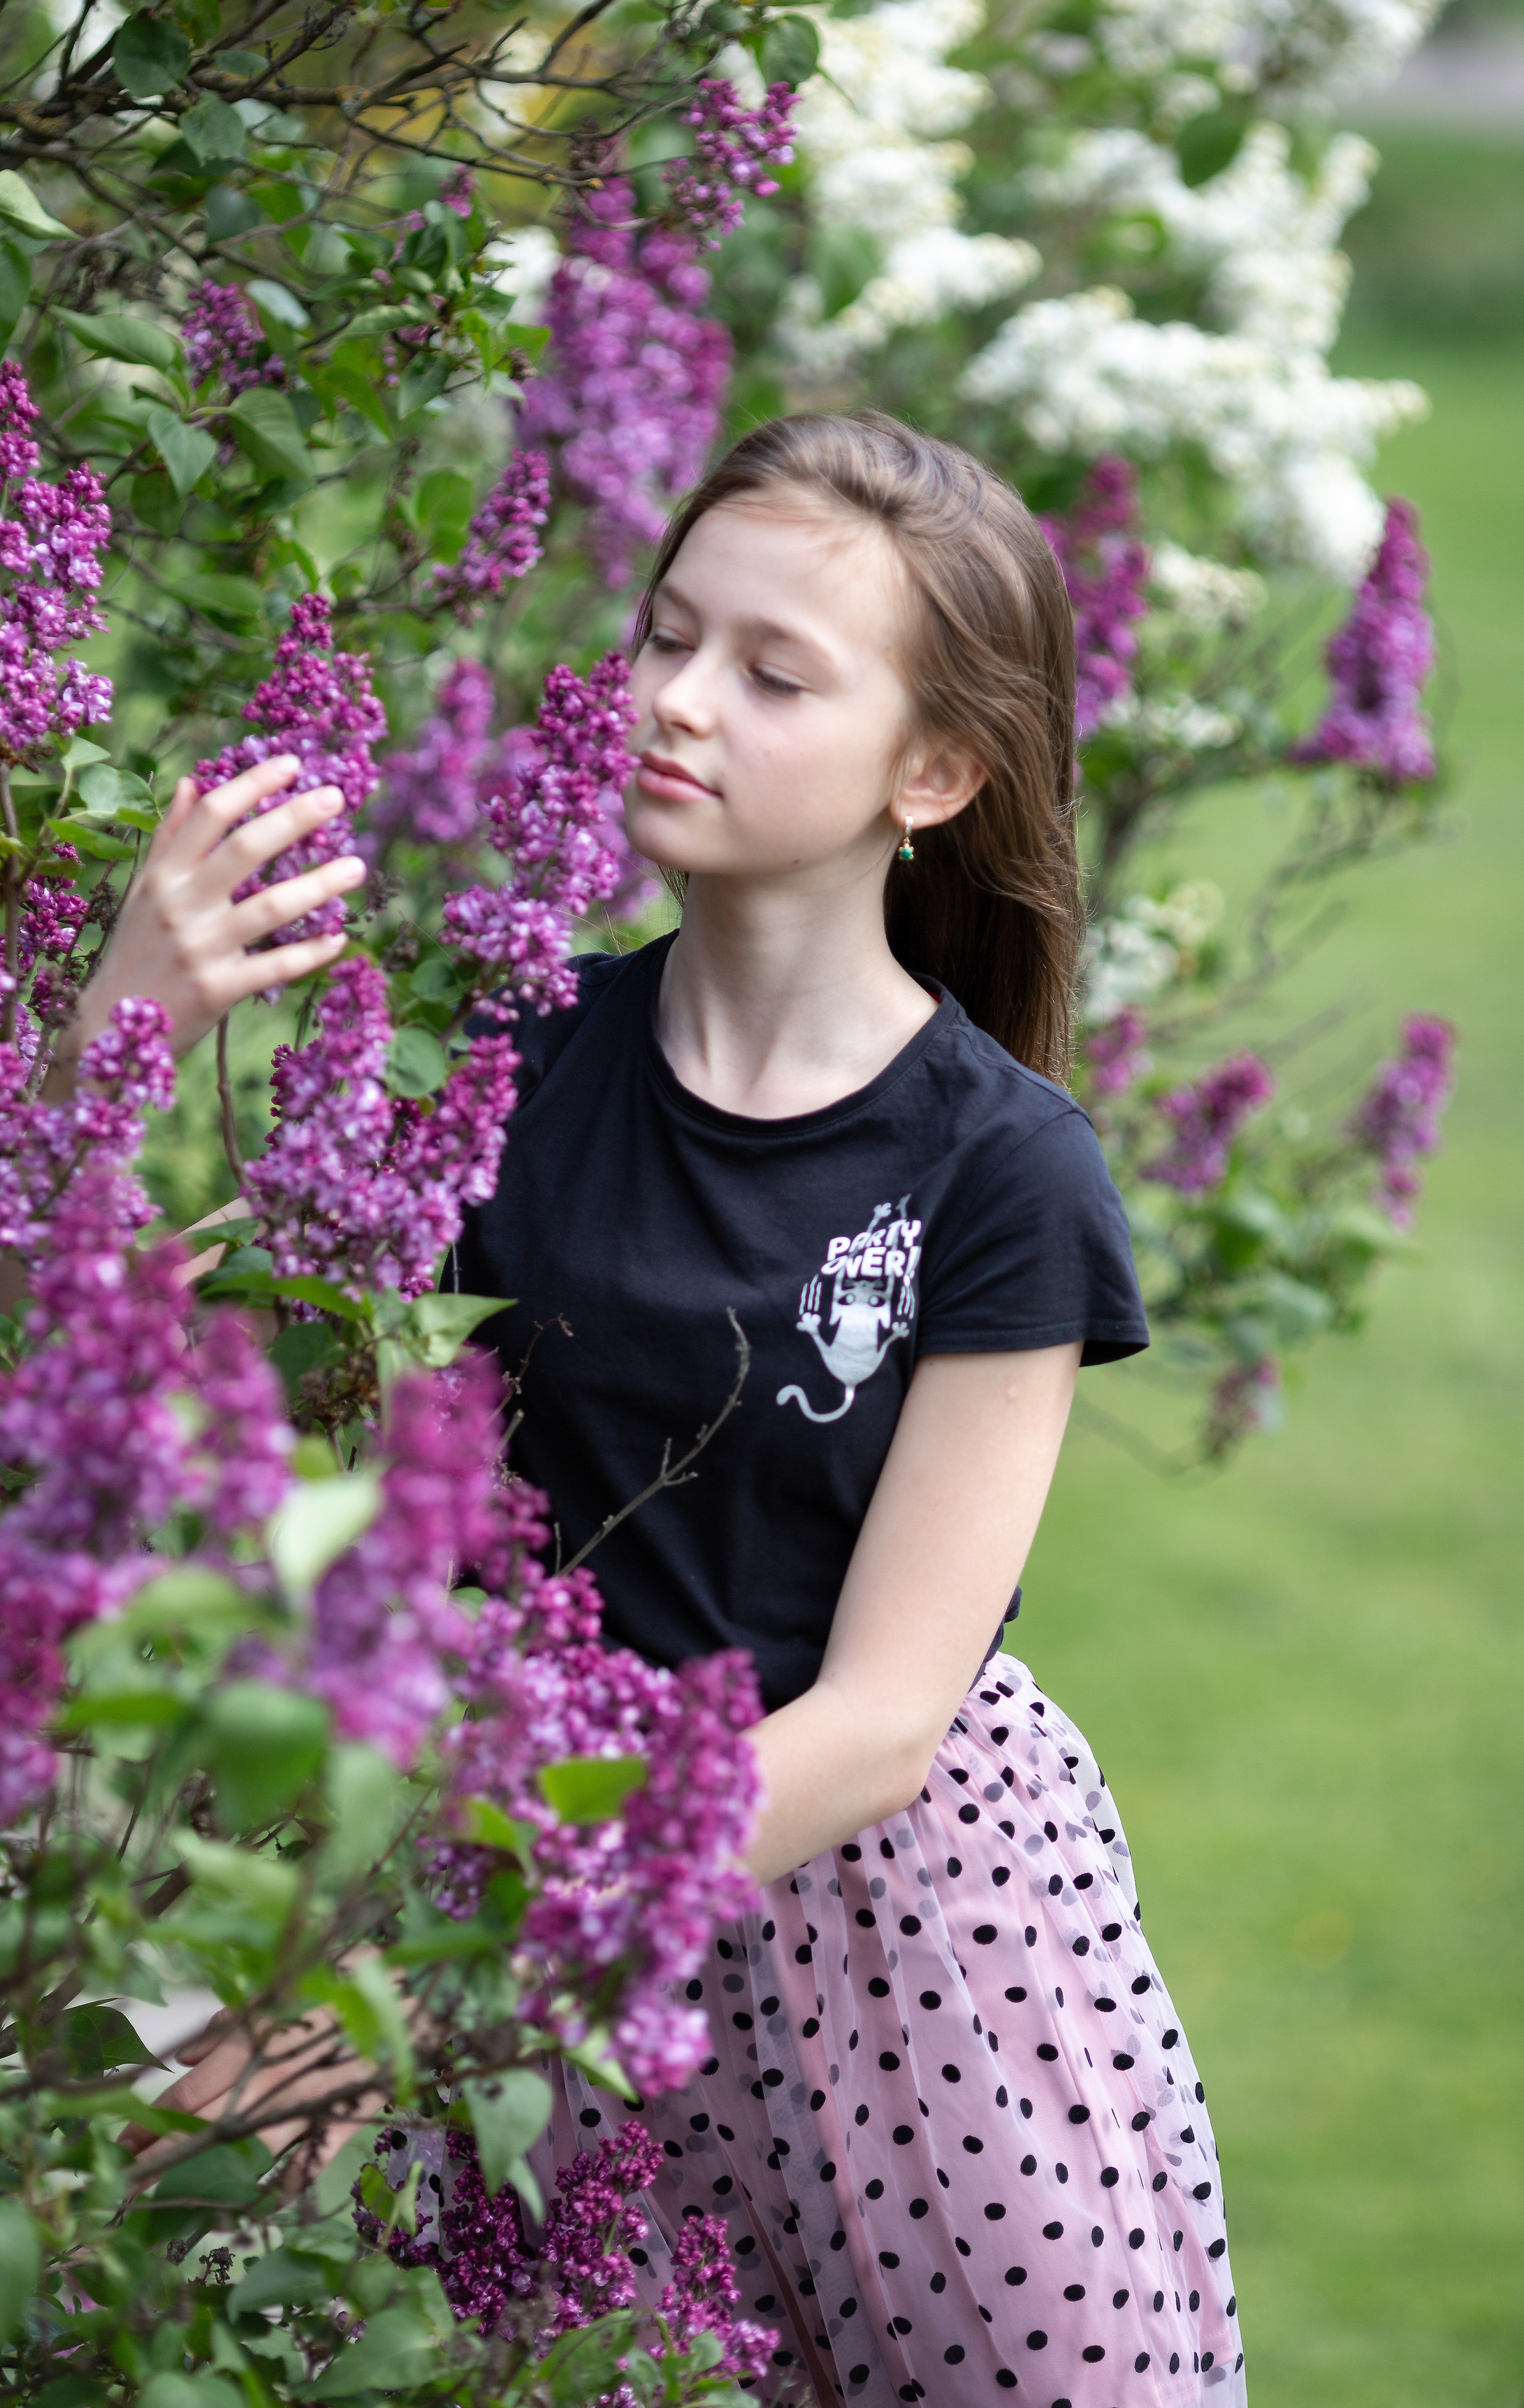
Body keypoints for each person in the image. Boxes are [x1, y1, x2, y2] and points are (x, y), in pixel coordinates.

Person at [82, 412, 1244, 2408]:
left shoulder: (1004, 1171)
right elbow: (84, 1361)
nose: (676, 700)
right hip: (528, 1881)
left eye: (776, 675)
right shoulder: (509, 1071)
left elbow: (879, 1725)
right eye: (668, 635)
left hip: (894, 1943)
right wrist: (127, 1021)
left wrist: (405, 2004)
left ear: (934, 773)